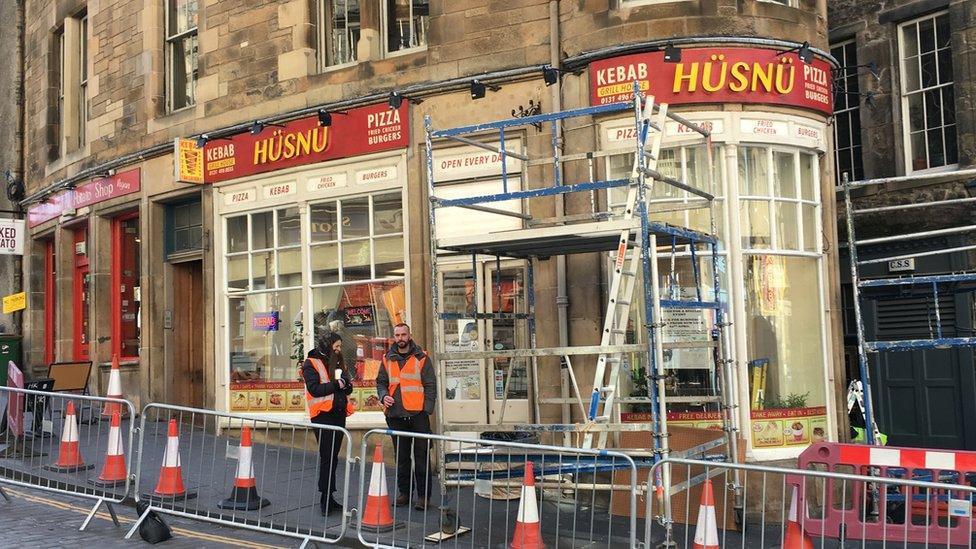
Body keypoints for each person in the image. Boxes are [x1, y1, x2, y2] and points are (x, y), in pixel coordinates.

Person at [376, 322, 436, 510]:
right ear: (393, 337)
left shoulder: (422, 358)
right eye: (397, 335)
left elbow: (430, 385)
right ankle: (404, 494)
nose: (400, 338)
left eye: (403, 335)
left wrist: (426, 409)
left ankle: (423, 497)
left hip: (418, 416)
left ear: (409, 336)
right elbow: (381, 382)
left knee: (422, 458)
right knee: (401, 458)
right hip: (396, 416)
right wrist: (383, 395)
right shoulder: (387, 359)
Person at [302, 331, 354, 516]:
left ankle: (331, 497)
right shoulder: (311, 363)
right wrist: (337, 385)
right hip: (322, 415)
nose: (339, 349)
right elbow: (314, 389)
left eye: (340, 346)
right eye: (337, 346)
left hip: (339, 413)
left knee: (333, 458)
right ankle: (325, 499)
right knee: (327, 457)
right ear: (327, 345)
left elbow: (349, 385)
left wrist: (345, 384)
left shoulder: (338, 360)